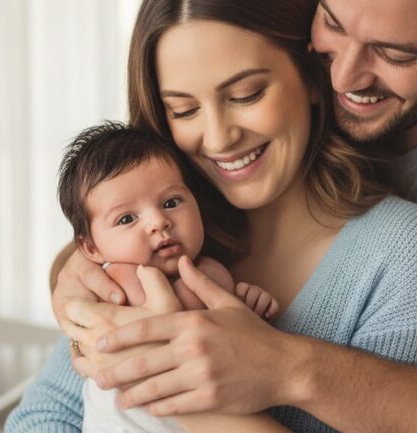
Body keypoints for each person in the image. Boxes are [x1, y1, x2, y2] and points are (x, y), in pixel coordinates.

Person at [38, 0, 417, 432]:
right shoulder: (173, 229)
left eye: (395, 53)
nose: (346, 77)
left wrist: (271, 368)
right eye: (182, 108)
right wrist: (83, 266)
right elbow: (51, 409)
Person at [56, 121, 280, 432]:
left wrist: (248, 312)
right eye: (127, 218)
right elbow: (174, 320)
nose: (158, 221)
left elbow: (236, 348)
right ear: (90, 247)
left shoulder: (212, 270)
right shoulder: (117, 280)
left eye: (171, 203)